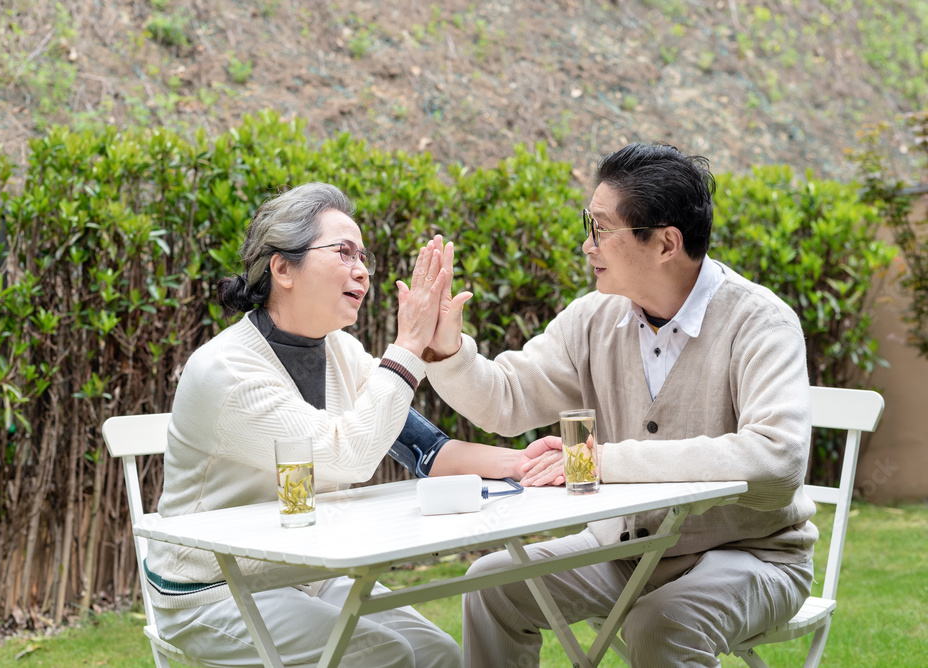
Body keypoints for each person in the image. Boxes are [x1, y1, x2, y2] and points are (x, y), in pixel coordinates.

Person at [422, 143, 817, 667]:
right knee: (494, 583)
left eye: (601, 229)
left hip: (751, 555)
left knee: (661, 623)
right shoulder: (593, 318)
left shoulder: (761, 323)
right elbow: (507, 400)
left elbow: (777, 460)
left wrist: (603, 462)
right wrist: (448, 352)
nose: (588, 246)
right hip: (626, 553)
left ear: (665, 243)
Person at [146, 182, 561, 668]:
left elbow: (423, 448)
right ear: (283, 268)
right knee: (383, 656)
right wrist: (409, 346)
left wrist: (521, 461)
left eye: (363, 255)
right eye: (343, 252)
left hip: (304, 574)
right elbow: (348, 455)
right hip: (213, 592)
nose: (362, 270)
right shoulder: (227, 372)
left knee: (439, 655)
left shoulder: (340, 351)